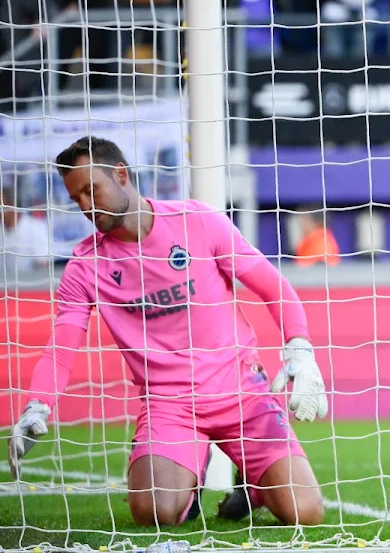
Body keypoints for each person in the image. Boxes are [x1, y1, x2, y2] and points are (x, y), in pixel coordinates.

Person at [7, 137, 328, 528]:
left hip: (241, 391)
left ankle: (252, 487)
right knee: (155, 513)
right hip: (169, 407)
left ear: (121, 174)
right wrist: (37, 405)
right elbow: (61, 348)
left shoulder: (198, 221)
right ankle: (192, 476)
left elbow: (271, 284)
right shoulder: (84, 267)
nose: (87, 206)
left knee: (306, 513)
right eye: (77, 199)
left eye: (93, 189)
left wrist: (299, 347)